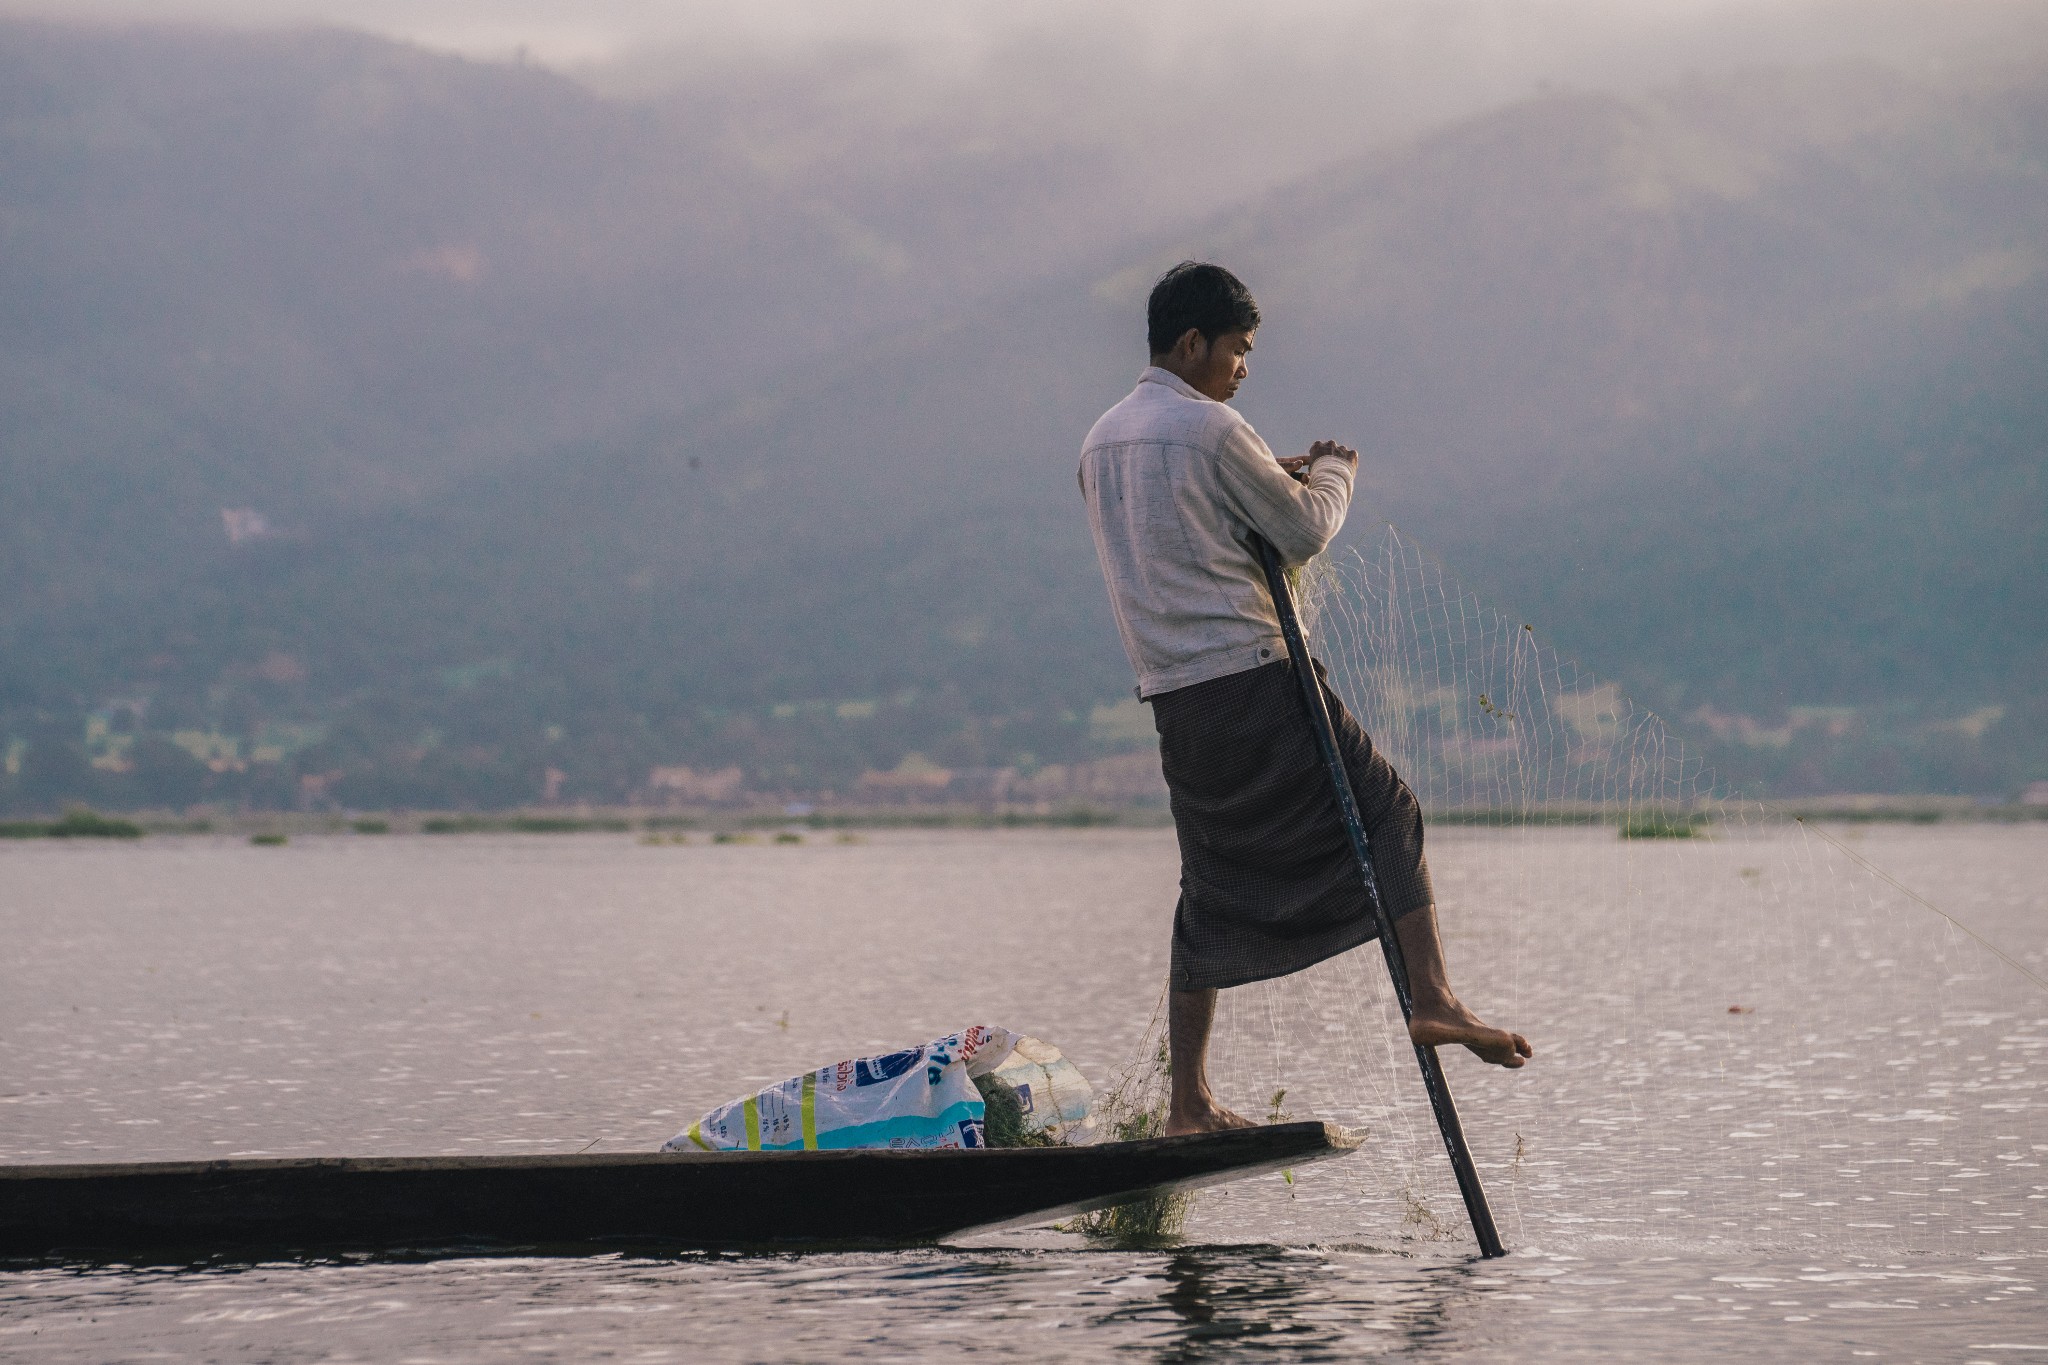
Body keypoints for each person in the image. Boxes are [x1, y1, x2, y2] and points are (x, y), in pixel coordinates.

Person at [1078, 261, 1533, 1136]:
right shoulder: (1212, 429)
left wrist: (1265, 468)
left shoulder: (1101, 440)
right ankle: (1434, 997)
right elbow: (1304, 530)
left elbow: (1180, 517)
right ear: (1191, 343)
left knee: (1208, 886)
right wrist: (1332, 471)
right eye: (1238, 350)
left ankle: (1188, 1102)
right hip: (1255, 675)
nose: (1243, 368)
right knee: (1390, 812)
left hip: (1176, 700)